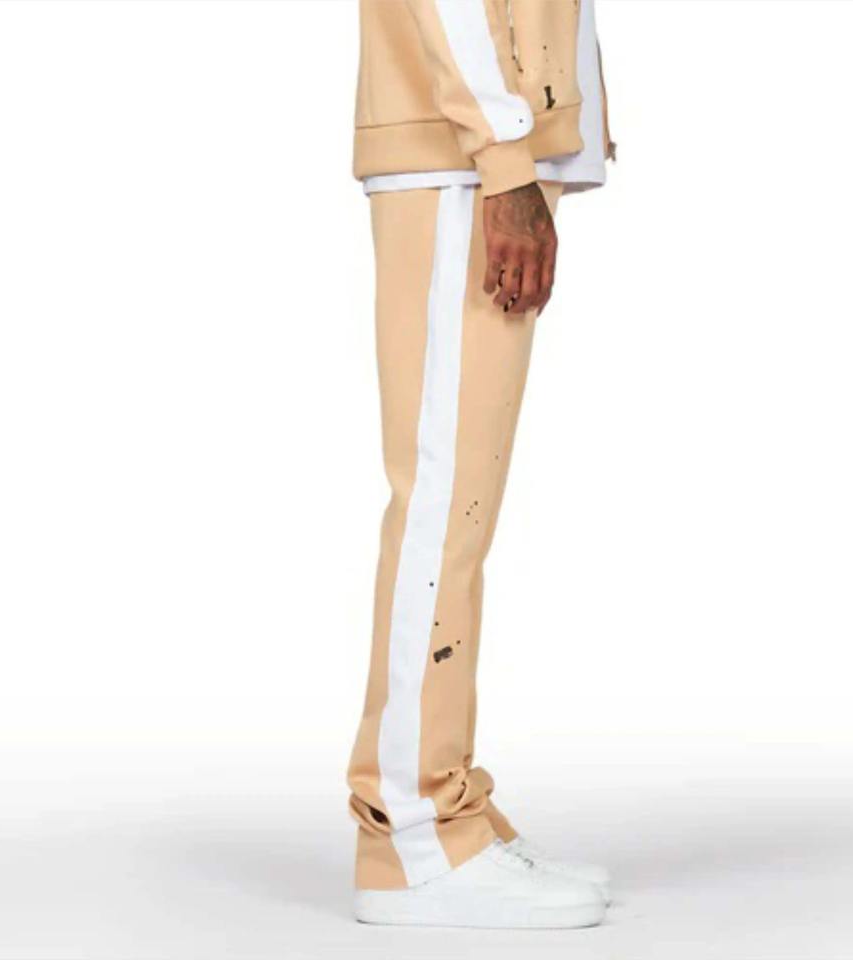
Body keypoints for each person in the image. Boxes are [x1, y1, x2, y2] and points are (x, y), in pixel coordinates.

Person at [346, 0, 614, 929]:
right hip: (461, 159)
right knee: (441, 505)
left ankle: (446, 807)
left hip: (474, 152)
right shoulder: (484, 160)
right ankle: (414, 836)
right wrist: (504, 158)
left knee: (456, 508)